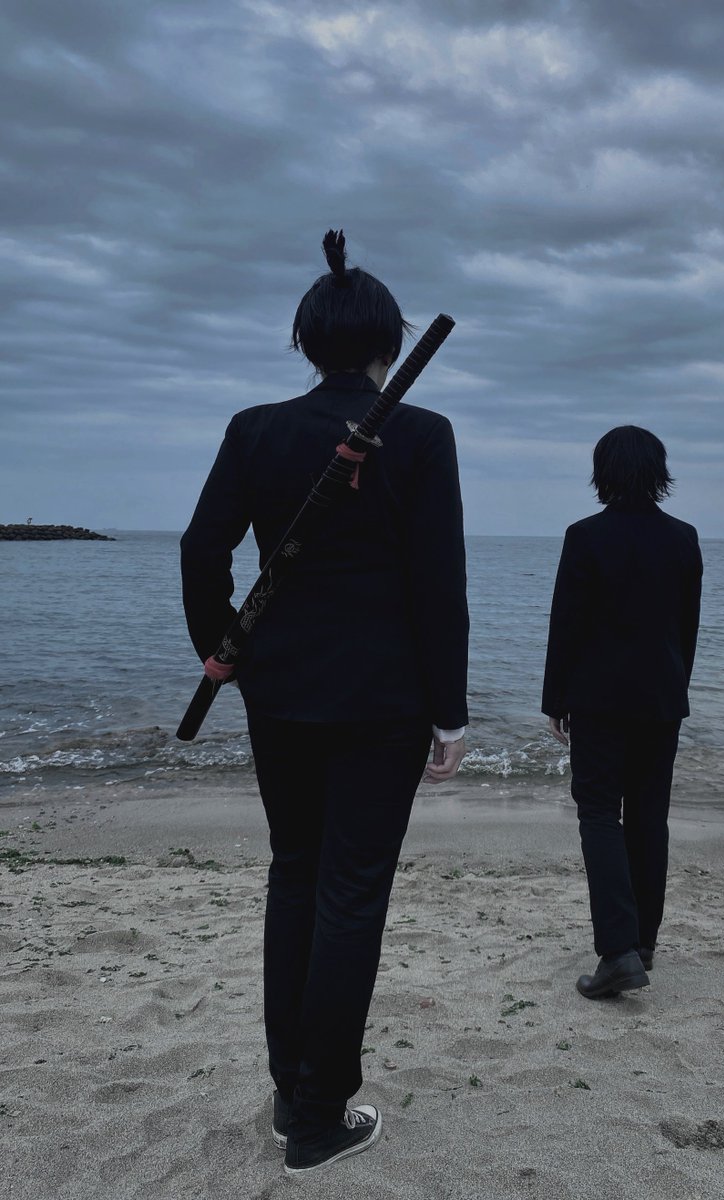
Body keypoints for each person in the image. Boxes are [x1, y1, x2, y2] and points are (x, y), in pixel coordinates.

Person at [180, 231, 469, 1177]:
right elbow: (439, 580)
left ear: (305, 342)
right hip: (385, 698)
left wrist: (222, 647)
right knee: (350, 892)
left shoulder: (255, 428)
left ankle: (289, 1088)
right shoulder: (422, 433)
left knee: (295, 874)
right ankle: (316, 1118)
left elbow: (201, 549)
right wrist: (451, 709)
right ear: (389, 343)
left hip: (280, 688)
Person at [541, 425, 701, 999]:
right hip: (661, 698)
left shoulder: (585, 536)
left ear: (602, 472)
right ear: (658, 472)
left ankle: (617, 952)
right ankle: (643, 943)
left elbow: (567, 623)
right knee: (649, 816)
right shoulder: (683, 538)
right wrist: (675, 686)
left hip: (598, 699)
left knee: (600, 814)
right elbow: (687, 628)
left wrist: (554, 699)